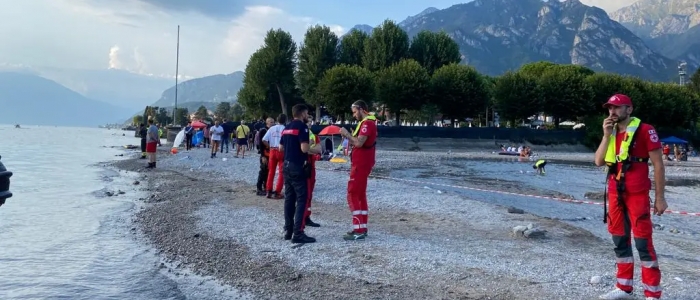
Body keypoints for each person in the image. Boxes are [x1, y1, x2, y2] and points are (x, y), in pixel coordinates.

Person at [594, 94, 667, 300]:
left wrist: (660, 198)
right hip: (615, 194)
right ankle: (624, 287)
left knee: (643, 243)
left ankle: (652, 293)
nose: (612, 111)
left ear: (629, 109)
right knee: (619, 240)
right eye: (610, 108)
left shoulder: (645, 130)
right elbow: (599, 161)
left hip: (638, 194)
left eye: (617, 107)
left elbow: (659, 165)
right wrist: (606, 135)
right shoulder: (611, 132)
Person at [280, 104, 320, 244]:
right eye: (307, 113)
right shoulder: (302, 127)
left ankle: (288, 230)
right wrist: (316, 150)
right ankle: (298, 233)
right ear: (302, 113)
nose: (307, 115)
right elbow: (304, 149)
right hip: (297, 166)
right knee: (302, 199)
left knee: (289, 199)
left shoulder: (286, 128)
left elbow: (281, 147)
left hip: (286, 165)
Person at [339, 100, 377, 241]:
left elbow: (359, 143)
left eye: (355, 112)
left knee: (353, 193)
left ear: (361, 109)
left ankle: (358, 229)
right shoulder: (368, 123)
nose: (354, 115)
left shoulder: (367, 124)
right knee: (360, 194)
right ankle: (362, 227)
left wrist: (347, 135)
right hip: (362, 163)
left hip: (360, 165)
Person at [262, 114, 287, 199]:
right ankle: (277, 192)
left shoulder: (271, 128)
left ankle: (268, 191)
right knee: (281, 172)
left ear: (277, 120)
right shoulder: (285, 129)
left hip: (272, 150)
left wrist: (269, 146)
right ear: (285, 120)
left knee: (271, 171)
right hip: (282, 151)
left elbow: (264, 139)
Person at [305, 117, 321, 227]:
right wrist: (309, 149)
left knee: (309, 193)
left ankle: (307, 216)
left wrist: (306, 149)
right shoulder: (300, 134)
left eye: (311, 122)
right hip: (304, 166)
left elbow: (318, 150)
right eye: (308, 122)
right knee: (304, 193)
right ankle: (302, 217)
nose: (310, 124)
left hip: (311, 167)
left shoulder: (314, 136)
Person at [256, 118, 274, 196]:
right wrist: (262, 156)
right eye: (271, 122)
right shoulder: (263, 130)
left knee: (268, 171)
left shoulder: (272, 130)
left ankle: (266, 187)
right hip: (265, 154)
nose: (273, 123)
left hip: (271, 154)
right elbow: (261, 143)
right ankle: (259, 188)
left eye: (273, 122)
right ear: (267, 123)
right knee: (263, 171)